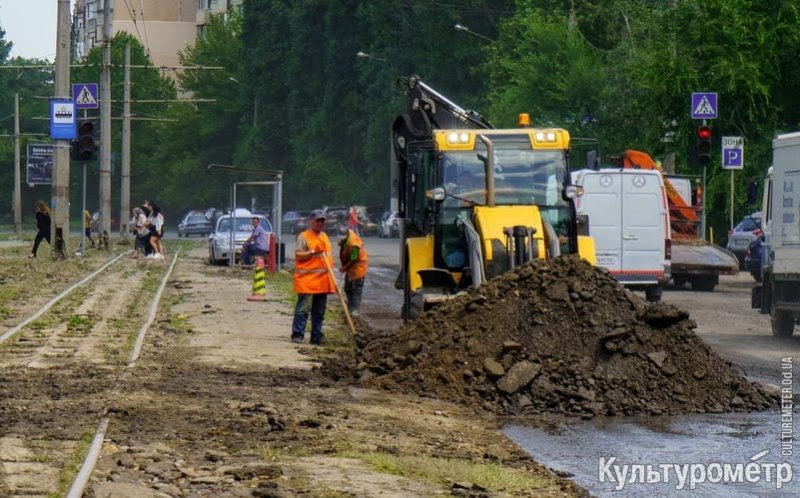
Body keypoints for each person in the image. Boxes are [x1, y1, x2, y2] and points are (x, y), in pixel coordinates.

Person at [291, 209, 335, 345]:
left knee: (319, 312)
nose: (321, 223)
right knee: (303, 310)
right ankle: (298, 334)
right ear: (311, 221)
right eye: (318, 220)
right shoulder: (304, 236)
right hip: (308, 281)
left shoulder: (324, 237)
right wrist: (313, 251)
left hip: (322, 282)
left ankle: (316, 336)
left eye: (323, 220)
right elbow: (298, 255)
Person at [338, 228, 368, 316]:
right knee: (347, 288)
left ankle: (355, 311)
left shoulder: (353, 243)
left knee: (356, 290)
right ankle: (350, 308)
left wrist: (345, 267)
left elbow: (354, 258)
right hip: (351, 268)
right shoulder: (346, 241)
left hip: (358, 268)